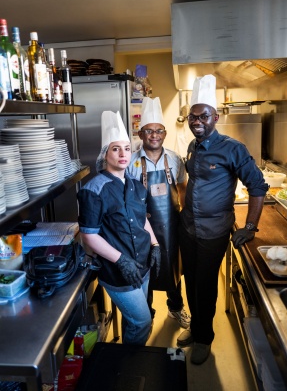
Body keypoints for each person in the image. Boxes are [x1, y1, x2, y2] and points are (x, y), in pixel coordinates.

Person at [177, 74, 268, 364]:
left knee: (205, 285)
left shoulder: (233, 148)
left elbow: (257, 186)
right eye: (192, 116)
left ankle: (205, 337)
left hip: (214, 230)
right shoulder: (193, 146)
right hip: (188, 226)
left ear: (215, 117)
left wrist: (251, 226)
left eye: (203, 116)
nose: (197, 121)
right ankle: (197, 326)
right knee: (190, 280)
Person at [77, 110, 161, 346]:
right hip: (118, 271)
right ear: (106, 154)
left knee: (133, 319)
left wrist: (154, 244)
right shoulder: (94, 190)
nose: (123, 154)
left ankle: (127, 360)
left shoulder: (135, 185)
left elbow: (142, 219)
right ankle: (130, 365)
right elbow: (89, 236)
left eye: (126, 148)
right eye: (116, 148)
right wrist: (121, 260)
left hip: (141, 266)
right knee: (142, 321)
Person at [128, 97, 190, 329]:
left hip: (171, 225)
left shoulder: (174, 159)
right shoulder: (131, 162)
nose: (154, 135)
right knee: (146, 271)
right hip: (142, 228)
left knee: (173, 268)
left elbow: (182, 189)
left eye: (159, 131)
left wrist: (183, 218)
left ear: (164, 134)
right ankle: (148, 315)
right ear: (141, 134)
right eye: (149, 131)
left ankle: (176, 309)